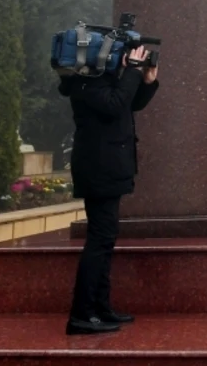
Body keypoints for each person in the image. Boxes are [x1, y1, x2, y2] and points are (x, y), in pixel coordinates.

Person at [61, 45, 159, 335]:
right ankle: (81, 314)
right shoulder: (84, 83)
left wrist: (147, 81)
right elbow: (115, 104)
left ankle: (100, 307)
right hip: (98, 169)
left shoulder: (99, 82)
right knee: (99, 240)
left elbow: (128, 103)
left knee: (104, 240)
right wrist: (131, 71)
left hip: (108, 169)